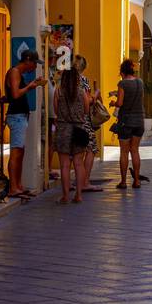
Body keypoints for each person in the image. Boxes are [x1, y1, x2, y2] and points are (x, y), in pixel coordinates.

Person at [3, 49, 45, 198]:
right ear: (27, 60)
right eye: (34, 63)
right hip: (16, 116)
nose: (34, 66)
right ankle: (13, 187)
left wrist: (33, 84)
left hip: (21, 116)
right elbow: (15, 94)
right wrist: (30, 87)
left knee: (20, 152)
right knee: (15, 152)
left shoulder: (19, 74)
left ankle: (18, 185)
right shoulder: (14, 72)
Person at [52, 60, 93, 204]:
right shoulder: (82, 92)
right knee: (78, 164)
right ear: (76, 78)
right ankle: (79, 195)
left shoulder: (58, 91)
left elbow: (56, 110)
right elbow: (87, 111)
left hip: (63, 129)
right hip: (79, 129)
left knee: (64, 165)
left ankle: (65, 196)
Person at [73, 55, 105, 193]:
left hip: (69, 119)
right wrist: (96, 93)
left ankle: (74, 183)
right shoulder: (82, 80)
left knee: (73, 153)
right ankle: (85, 181)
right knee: (91, 149)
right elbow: (87, 100)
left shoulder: (64, 81)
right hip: (83, 120)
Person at [112, 60, 147, 188]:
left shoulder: (122, 83)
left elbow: (120, 103)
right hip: (139, 122)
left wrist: (113, 103)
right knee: (135, 151)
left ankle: (123, 181)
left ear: (123, 72)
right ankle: (137, 180)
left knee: (124, 152)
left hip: (126, 122)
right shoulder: (140, 82)